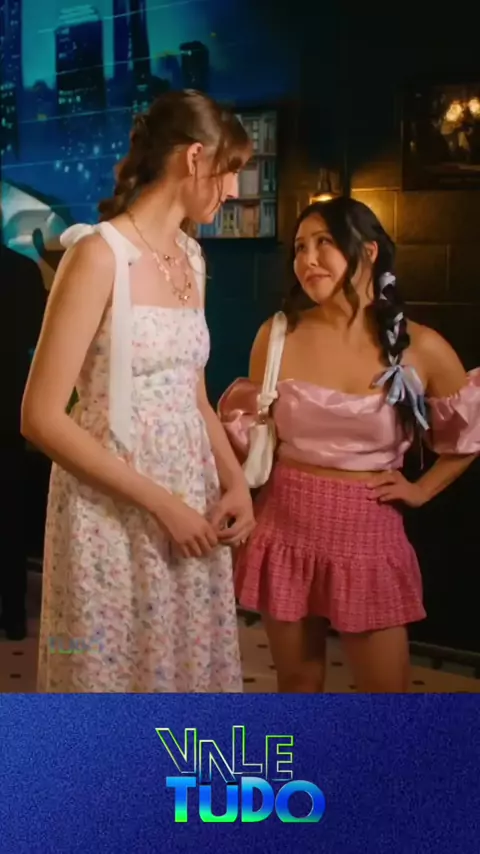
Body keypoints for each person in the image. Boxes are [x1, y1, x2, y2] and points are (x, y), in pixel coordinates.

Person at [21, 90, 255, 692]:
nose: (233, 190)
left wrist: (235, 482)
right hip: (111, 504)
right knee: (110, 670)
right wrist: (161, 504)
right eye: (230, 171)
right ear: (195, 158)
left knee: (182, 672)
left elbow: (194, 397)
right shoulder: (98, 255)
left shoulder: (191, 258)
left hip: (190, 495)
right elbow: (41, 416)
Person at [219, 197, 480, 694]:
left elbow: (469, 432)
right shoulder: (277, 335)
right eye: (300, 247)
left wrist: (422, 489)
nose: (308, 259)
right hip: (285, 524)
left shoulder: (418, 346)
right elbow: (249, 431)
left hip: (367, 534)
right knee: (297, 684)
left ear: (369, 251)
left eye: (325, 243)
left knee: (386, 694)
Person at [0, 243, 46, 640]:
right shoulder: (24, 270)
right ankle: (14, 614)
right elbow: (37, 334)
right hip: (11, 402)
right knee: (10, 510)